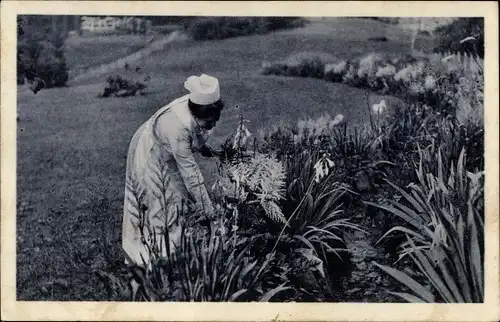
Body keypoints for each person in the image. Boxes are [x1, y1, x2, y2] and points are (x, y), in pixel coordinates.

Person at [122, 74, 224, 267]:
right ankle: (150, 263)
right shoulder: (177, 127)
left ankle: (175, 255)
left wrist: (207, 150)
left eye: (214, 121)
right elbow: (191, 176)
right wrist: (211, 214)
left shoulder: (199, 108)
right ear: (195, 114)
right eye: (208, 122)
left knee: (177, 203)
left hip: (169, 150)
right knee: (159, 205)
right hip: (150, 152)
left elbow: (197, 133)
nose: (212, 127)